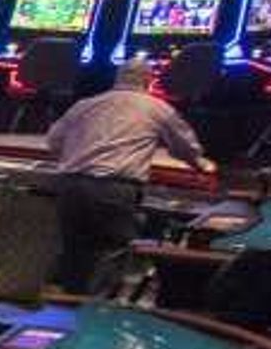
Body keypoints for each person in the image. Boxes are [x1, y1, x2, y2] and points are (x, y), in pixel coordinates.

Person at [43, 68, 212, 294]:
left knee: (74, 248)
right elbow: (183, 146)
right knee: (115, 249)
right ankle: (98, 311)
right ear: (148, 81)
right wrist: (202, 165)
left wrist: (78, 156)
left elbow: (53, 141)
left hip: (71, 184)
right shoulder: (157, 108)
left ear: (117, 79)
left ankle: (69, 303)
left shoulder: (85, 105)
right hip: (115, 188)